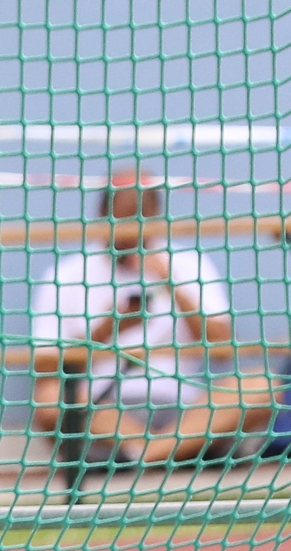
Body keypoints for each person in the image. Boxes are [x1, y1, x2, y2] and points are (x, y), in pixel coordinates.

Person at [27, 169, 274, 467]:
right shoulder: (67, 275)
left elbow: (222, 348)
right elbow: (45, 367)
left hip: (184, 412)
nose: (131, 230)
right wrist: (108, 328)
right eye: (123, 217)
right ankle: (163, 453)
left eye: (141, 216)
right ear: (103, 215)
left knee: (263, 386)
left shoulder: (187, 264)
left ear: (156, 215)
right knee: (50, 398)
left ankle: (147, 454)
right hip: (104, 415)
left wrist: (170, 282)